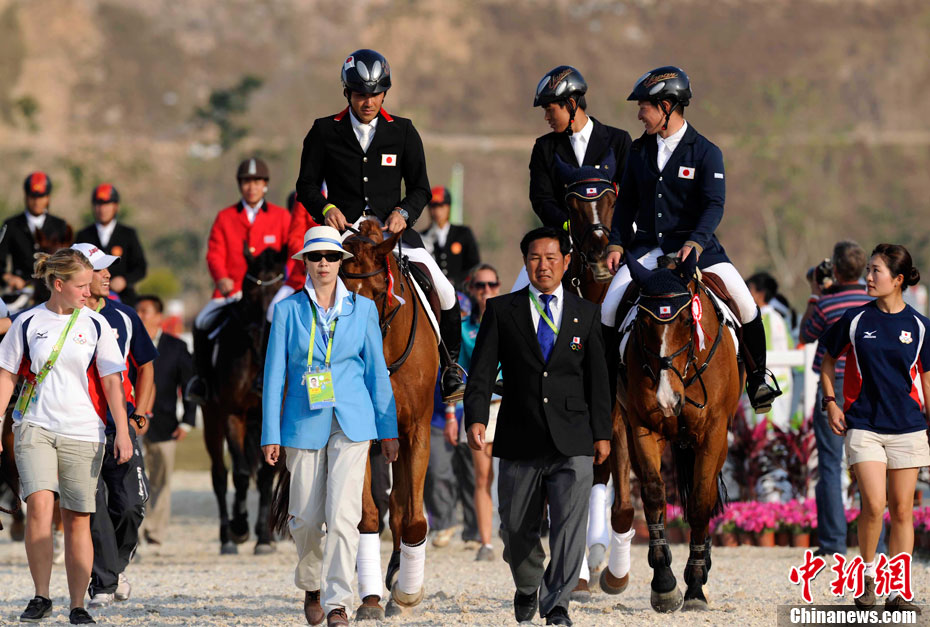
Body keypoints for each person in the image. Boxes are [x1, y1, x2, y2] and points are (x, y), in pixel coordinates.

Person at [601, 66, 780, 414]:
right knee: (608, 309)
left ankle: (759, 379)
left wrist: (695, 242)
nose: (639, 114)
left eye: (644, 107)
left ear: (666, 106)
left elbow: (714, 204)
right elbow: (625, 205)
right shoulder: (638, 152)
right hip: (648, 249)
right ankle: (604, 389)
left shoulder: (706, 152)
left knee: (746, 305)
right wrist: (616, 243)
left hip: (699, 250)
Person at [295, 48, 465, 403]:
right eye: (360, 94)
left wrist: (403, 212)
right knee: (306, 296)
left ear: (384, 93)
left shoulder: (402, 131)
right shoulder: (324, 131)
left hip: (392, 233)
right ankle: (304, 376)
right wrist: (326, 208)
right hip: (343, 235)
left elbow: (420, 188)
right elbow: (306, 186)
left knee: (445, 290)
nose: (368, 101)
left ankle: (451, 369)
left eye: (375, 94)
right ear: (347, 93)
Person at [464, 227, 611, 626]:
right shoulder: (502, 310)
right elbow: (481, 372)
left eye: (551, 258)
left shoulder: (586, 313)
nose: (543, 265)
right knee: (514, 527)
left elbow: (599, 381)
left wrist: (602, 433)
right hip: (519, 433)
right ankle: (528, 582)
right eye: (534, 258)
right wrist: (476, 416)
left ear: (566, 262)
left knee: (569, 526)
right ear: (525, 262)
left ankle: (558, 604)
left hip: (573, 438)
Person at [261, 226, 400, 627]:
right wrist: (270, 433)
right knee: (305, 519)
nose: (323, 263)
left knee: (342, 516)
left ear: (342, 261)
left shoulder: (364, 309)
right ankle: (312, 585)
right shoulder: (287, 310)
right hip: (302, 420)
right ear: (305, 261)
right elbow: (273, 376)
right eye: (316, 256)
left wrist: (388, 429)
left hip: (353, 422)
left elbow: (376, 373)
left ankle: (338, 601)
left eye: (331, 256)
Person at [0, 248, 130, 625]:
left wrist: (122, 430)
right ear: (58, 285)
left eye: (89, 285)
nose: (89, 292)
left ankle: (77, 604)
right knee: (39, 507)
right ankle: (41, 595)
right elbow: (7, 374)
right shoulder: (27, 322)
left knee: (76, 518)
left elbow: (112, 381)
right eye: (81, 286)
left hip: (84, 431)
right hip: (35, 426)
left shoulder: (96, 324)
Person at [821, 243, 930, 613]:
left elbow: (927, 381)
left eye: (875, 271)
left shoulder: (920, 326)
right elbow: (827, 361)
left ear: (897, 280)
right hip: (864, 426)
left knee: (902, 510)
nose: (868, 277)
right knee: (873, 503)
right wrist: (830, 401)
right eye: (867, 269)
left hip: (909, 428)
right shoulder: (855, 319)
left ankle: (898, 592)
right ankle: (868, 580)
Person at [68, 243, 157, 608]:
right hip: (78, 429)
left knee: (132, 505)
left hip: (120, 426)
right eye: (99, 268)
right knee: (95, 509)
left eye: (107, 268)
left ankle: (114, 569)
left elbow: (146, 365)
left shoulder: (124, 315)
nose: (107, 274)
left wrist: (140, 415)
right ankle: (104, 582)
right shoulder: (59, 316)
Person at [511, 65, 632, 291]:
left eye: (550, 110)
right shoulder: (544, 148)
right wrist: (569, 225)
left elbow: (630, 192)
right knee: (518, 295)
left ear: (571, 104)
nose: (546, 117)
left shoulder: (618, 140)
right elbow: (541, 199)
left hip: (614, 241)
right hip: (563, 240)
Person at [186, 157, 291, 403]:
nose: (251, 187)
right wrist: (221, 278)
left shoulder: (282, 217)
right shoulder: (225, 217)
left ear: (265, 185)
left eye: (257, 181)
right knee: (201, 323)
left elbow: (290, 255)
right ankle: (202, 381)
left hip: (270, 296)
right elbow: (214, 253)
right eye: (246, 182)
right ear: (239, 185)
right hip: (232, 292)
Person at [799, 240, 873, 556]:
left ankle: (833, 543)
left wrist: (816, 293)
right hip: (869, 387)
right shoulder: (873, 301)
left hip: (833, 388)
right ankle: (878, 543)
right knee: (872, 462)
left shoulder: (827, 303)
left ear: (837, 271)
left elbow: (805, 334)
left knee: (830, 464)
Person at [134, 294, 197, 547]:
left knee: (161, 480)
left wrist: (187, 421)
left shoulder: (176, 347)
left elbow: (189, 384)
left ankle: (155, 531)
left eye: (145, 311)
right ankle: (134, 529)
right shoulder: (126, 343)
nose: (140, 315)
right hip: (132, 424)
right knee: (133, 478)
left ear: (159, 316)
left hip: (165, 424)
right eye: (137, 310)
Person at [459, 263, 502, 561]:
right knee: (483, 476)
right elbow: (458, 374)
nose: (486, 290)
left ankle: (513, 533)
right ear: (471, 290)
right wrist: (453, 416)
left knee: (514, 475)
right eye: (480, 285)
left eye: (491, 284)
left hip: (510, 404)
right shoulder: (464, 328)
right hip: (479, 408)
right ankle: (486, 542)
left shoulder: (512, 319)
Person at [423, 368, 479, 549]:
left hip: (471, 417)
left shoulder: (472, 348)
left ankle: (474, 531)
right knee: (436, 472)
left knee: (473, 476)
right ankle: (443, 525)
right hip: (435, 417)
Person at [75, 184, 147, 306]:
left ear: (116, 206)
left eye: (107, 204)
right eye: (98, 204)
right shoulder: (84, 235)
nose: (102, 209)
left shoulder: (128, 234)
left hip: (123, 298)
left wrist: (124, 280)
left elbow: (140, 267)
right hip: (90, 298)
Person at [0, 172, 71, 294]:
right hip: (21, 289)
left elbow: (68, 261)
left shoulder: (60, 225)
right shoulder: (12, 225)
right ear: (26, 196)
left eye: (41, 196)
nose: (37, 201)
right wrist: (8, 277)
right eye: (33, 196)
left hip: (52, 291)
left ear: (48, 197)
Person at [419, 186, 480, 290]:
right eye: (433, 207)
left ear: (448, 207)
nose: (437, 211)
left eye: (441, 206)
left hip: (461, 291)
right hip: (433, 291)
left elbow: (474, 265)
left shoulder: (463, 233)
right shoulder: (423, 237)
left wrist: (456, 282)